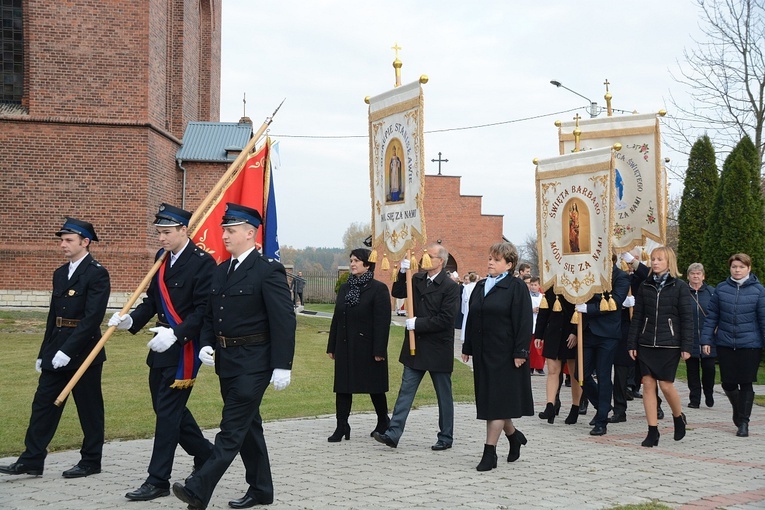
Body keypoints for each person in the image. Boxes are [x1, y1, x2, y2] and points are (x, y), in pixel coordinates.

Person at [172, 203, 296, 510]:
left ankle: (198, 489)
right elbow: (212, 315)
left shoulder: (268, 270)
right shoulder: (221, 270)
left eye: (231, 230)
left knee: (231, 429)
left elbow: (284, 320)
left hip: (255, 363)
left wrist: (282, 365)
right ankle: (261, 490)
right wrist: (206, 343)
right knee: (248, 428)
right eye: (224, 229)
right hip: (227, 362)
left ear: (250, 233)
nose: (224, 235)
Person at [108, 204, 215, 501]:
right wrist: (131, 320)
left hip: (184, 349)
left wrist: (176, 334)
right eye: (159, 233)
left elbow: (203, 311)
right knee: (167, 409)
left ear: (184, 230)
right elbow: (153, 300)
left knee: (167, 414)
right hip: (160, 346)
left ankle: (157, 480)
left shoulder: (203, 263)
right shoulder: (161, 259)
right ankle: (207, 453)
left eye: (166, 232)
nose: (161, 238)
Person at [0, 218, 110, 478]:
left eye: (69, 240)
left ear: (85, 242)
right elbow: (53, 316)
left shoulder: (96, 273)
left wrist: (68, 350)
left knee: (89, 408)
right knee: (43, 404)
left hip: (84, 353)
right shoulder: (61, 273)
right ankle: (32, 459)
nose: (63, 244)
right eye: (61, 240)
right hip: (56, 349)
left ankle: (91, 461)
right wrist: (44, 352)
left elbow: (92, 318)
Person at [373, 243, 460, 450]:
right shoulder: (417, 278)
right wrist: (403, 272)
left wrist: (417, 324)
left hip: (438, 347)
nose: (424, 259)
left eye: (430, 256)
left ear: (441, 261)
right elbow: (398, 291)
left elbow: (446, 319)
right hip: (416, 347)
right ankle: (393, 433)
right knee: (405, 391)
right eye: (424, 256)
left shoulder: (450, 287)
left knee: (443, 395)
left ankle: (445, 437)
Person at [462, 242, 533, 471]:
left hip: (506, 354)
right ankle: (514, 436)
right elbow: (473, 317)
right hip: (484, 353)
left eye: (496, 259)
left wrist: (521, 351)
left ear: (509, 264)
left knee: (497, 404)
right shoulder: (481, 285)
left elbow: (524, 321)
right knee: (493, 402)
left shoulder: (515, 287)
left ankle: (489, 453)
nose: (490, 262)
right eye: (490, 258)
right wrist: (467, 346)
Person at [628, 246, 693, 447]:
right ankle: (652, 431)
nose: (655, 262)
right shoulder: (645, 285)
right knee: (647, 383)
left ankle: (677, 416)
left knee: (665, 385)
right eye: (653, 259)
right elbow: (637, 316)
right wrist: (632, 342)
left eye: (660, 259)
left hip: (670, 344)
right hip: (646, 342)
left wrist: (687, 345)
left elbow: (687, 318)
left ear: (669, 262)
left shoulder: (680, 286)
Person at [326, 248, 391, 442]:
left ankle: (383, 421)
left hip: (368, 347)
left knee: (375, 386)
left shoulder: (378, 289)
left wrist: (379, 350)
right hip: (345, 345)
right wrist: (332, 345)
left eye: (357, 261)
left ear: (367, 264)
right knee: (343, 387)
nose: (352, 264)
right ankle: (342, 425)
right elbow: (337, 317)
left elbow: (382, 321)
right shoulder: (346, 287)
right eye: (351, 260)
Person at [701, 253, 765, 438]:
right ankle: (738, 410)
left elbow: (763, 319)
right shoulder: (721, 289)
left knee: (745, 382)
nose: (737, 270)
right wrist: (706, 340)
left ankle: (743, 421)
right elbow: (712, 316)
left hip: (750, 344)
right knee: (728, 383)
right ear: (730, 268)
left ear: (749, 269)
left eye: (741, 267)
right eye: (734, 267)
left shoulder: (759, 291)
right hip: (726, 343)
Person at [575, 256, 629, 436]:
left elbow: (615, 302)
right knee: (580, 374)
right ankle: (602, 407)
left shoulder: (621, 277)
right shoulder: (590, 273)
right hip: (588, 331)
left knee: (604, 375)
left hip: (608, 333)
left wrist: (589, 309)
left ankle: (601, 422)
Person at [534, 288, 582, 425]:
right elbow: (544, 312)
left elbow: (581, 312)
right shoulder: (552, 287)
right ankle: (550, 405)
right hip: (553, 332)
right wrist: (539, 334)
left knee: (574, 374)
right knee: (553, 370)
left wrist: (575, 332)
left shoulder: (578, 285)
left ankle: (575, 407)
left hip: (571, 333)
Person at [686, 262, 716, 409]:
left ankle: (709, 393)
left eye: (698, 273)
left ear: (703, 276)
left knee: (709, 368)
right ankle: (694, 399)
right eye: (693, 273)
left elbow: (716, 315)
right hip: (689, 338)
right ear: (688, 276)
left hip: (708, 339)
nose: (696, 276)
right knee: (692, 370)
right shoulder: (683, 292)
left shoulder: (711, 292)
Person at [526, 276, 545, 375]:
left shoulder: (543, 297)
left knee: (539, 348)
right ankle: (530, 367)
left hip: (538, 323)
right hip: (529, 323)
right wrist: (531, 310)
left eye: (535, 285)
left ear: (539, 286)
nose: (533, 287)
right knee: (530, 348)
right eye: (531, 285)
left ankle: (539, 366)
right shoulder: (526, 296)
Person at [460, 273, 478, 341]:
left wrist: (463, 309)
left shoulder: (466, 287)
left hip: (467, 305)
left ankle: (464, 336)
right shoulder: (477, 286)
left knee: (466, 320)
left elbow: (464, 298)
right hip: (474, 305)